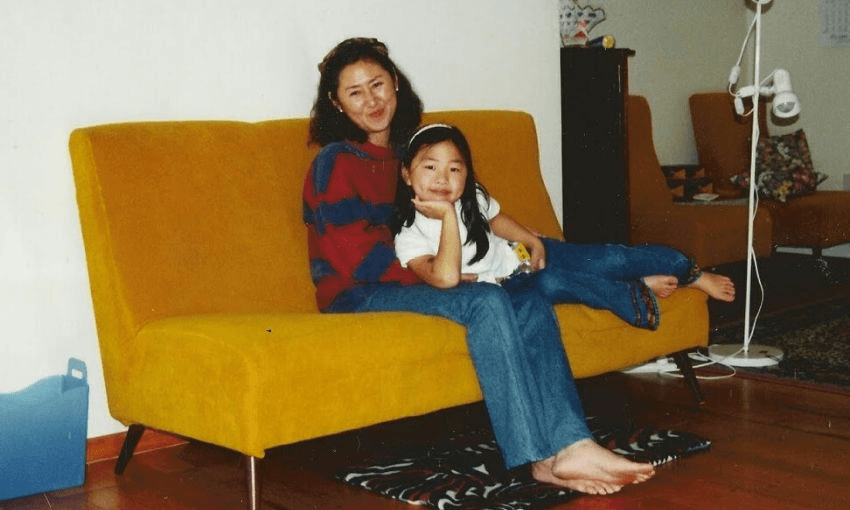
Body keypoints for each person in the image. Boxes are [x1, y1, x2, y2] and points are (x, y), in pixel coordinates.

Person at [302, 37, 656, 495]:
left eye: (378, 85)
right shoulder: (335, 161)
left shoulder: (414, 154)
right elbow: (356, 258)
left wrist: (509, 244)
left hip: (426, 274)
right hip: (357, 292)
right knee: (487, 300)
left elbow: (477, 210)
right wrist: (435, 273)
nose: (372, 100)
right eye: (355, 92)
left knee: (525, 294)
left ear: (395, 84)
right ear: (336, 103)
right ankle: (536, 458)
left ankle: (571, 444)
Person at [392, 123, 735, 331]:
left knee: (611, 257)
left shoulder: (474, 197)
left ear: (467, 174)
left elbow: (496, 220)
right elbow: (446, 278)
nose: (442, 179)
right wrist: (447, 217)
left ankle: (688, 271)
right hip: (514, 288)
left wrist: (532, 240)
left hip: (528, 255)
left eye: (455, 169)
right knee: (554, 283)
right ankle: (634, 289)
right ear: (407, 173)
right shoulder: (409, 236)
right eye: (430, 167)